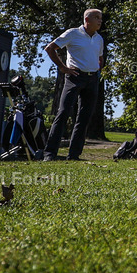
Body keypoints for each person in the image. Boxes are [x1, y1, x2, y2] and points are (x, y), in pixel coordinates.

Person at [43, 9, 105, 161]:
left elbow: (100, 57)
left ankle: (74, 155)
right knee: (63, 113)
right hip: (74, 77)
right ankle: (50, 154)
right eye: (96, 17)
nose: (100, 21)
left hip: (92, 80)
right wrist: (63, 67)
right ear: (87, 19)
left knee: (84, 118)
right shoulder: (72, 33)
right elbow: (50, 48)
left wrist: (97, 69)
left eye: (101, 18)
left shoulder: (99, 39)